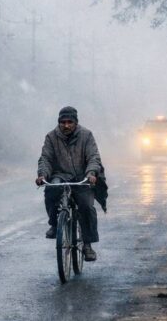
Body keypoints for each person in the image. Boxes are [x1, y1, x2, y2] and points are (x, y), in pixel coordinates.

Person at [35, 106, 105, 262]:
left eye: (69, 122)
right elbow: (45, 159)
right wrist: (42, 174)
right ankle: (54, 224)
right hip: (60, 175)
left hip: (82, 177)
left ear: (76, 122)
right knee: (51, 191)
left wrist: (91, 173)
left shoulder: (86, 136)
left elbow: (93, 157)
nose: (66, 125)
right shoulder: (51, 137)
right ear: (59, 122)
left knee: (86, 207)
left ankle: (87, 245)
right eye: (63, 122)